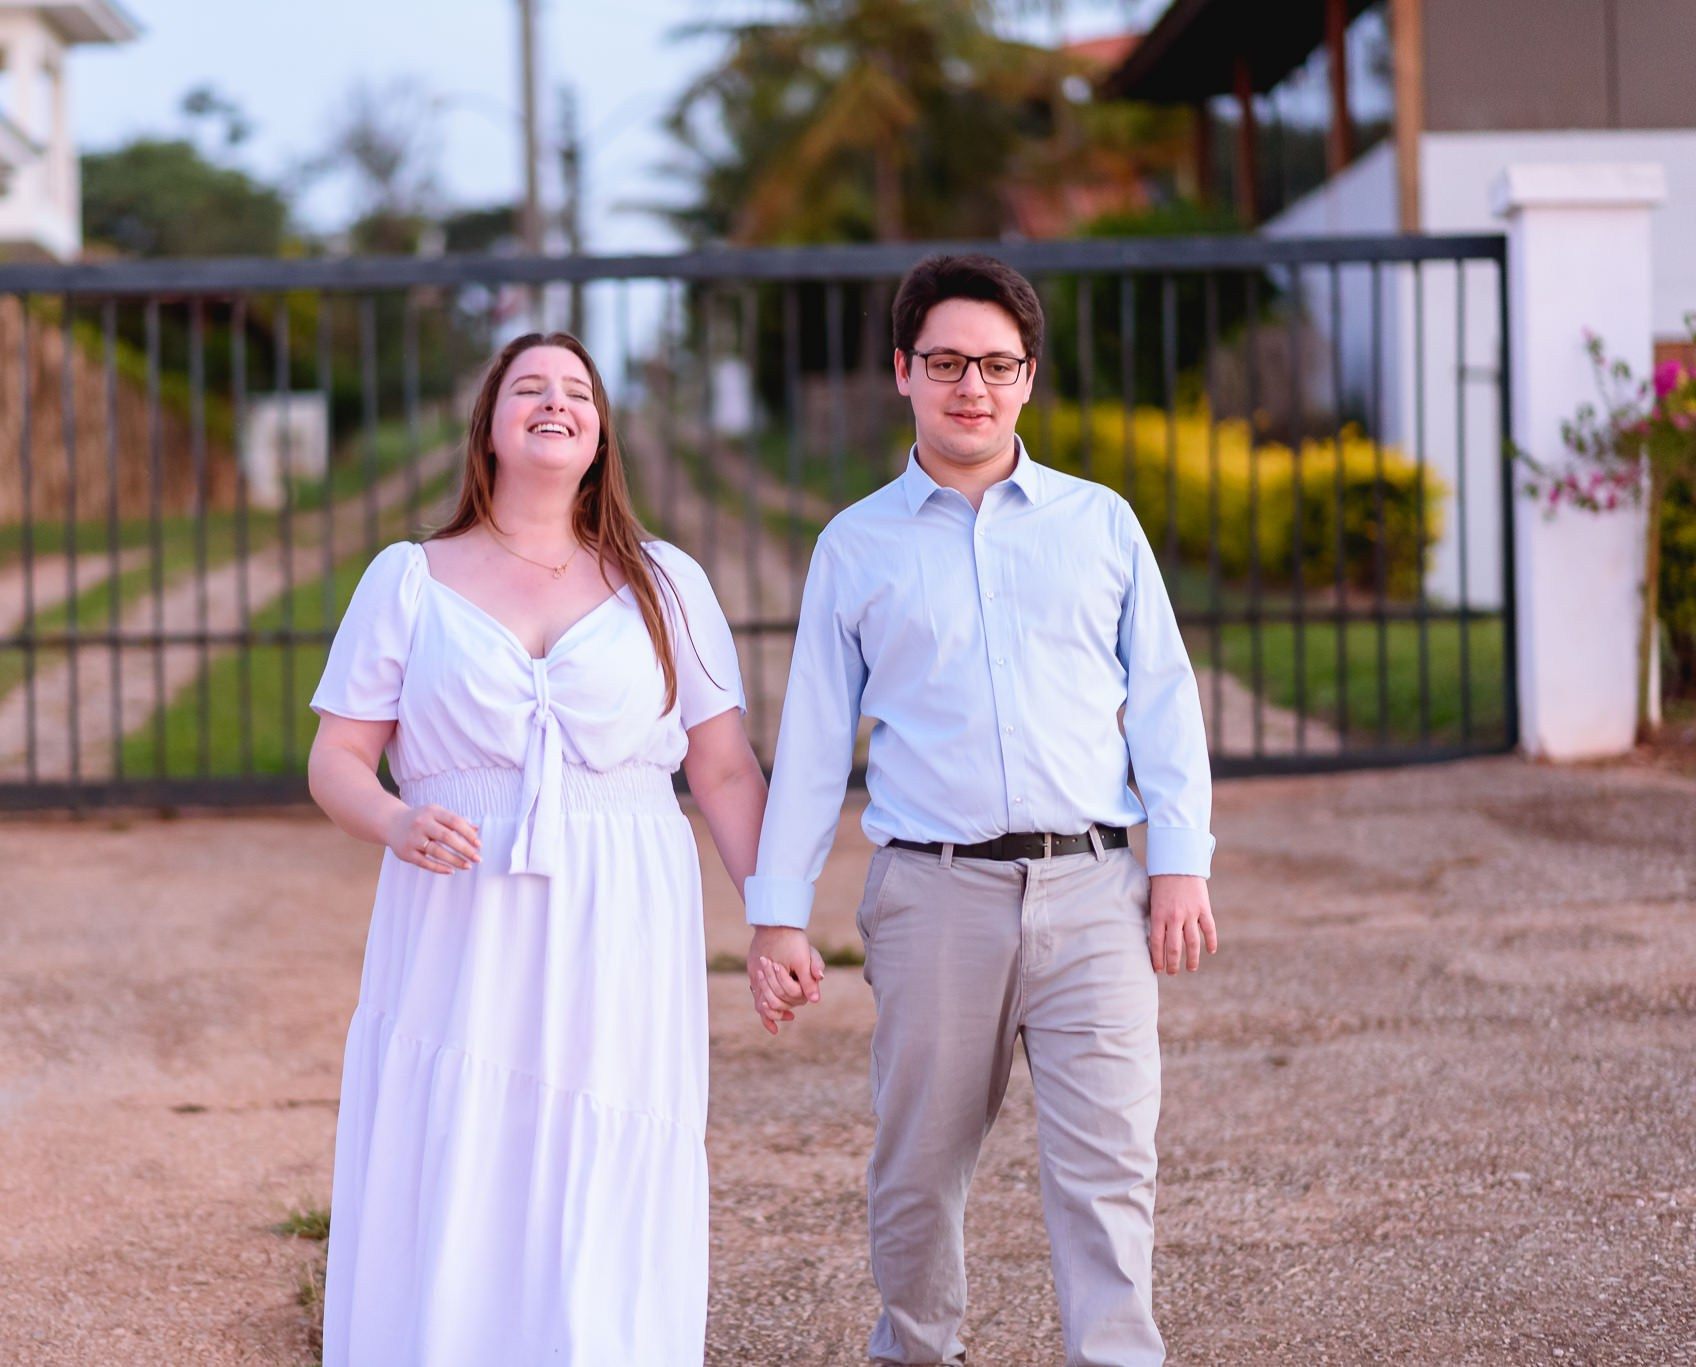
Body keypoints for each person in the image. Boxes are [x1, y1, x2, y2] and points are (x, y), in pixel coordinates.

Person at [743, 254, 1217, 1367]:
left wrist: (1180, 860)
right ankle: (917, 1350)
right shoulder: (854, 546)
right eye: (948, 362)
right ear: (902, 371)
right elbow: (813, 745)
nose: (973, 387)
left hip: (1094, 886)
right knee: (917, 1166)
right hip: (932, 891)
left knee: (1108, 1165)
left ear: (1027, 378)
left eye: (996, 364)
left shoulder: (1096, 523)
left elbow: (1161, 697)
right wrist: (777, 911)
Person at [306, 332, 765, 1365]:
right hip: (460, 913)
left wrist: (771, 913)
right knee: (459, 1146)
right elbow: (335, 757)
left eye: (576, 391)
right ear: (491, 427)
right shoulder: (408, 578)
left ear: (600, 431)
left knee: (609, 1149)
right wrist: (392, 819)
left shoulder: (665, 580)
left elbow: (725, 769)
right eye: (529, 387)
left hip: (624, 915)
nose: (555, 402)